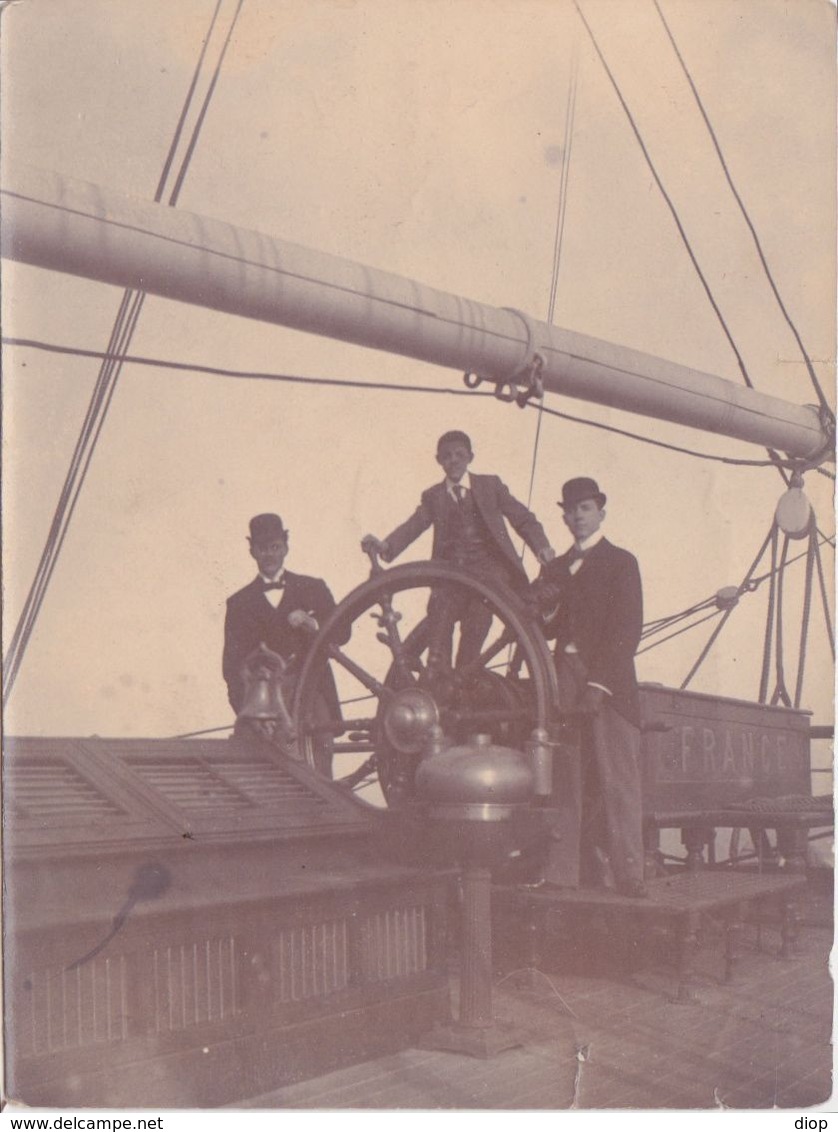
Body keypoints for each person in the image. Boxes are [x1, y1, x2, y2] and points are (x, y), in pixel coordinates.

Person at [532, 477, 647, 898]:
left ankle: (630, 875)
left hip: (610, 682)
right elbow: (544, 629)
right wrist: (542, 605)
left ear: (600, 511)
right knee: (564, 777)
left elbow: (627, 629)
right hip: (564, 678)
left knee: (619, 779)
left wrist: (599, 684)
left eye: (584, 508)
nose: (576, 516)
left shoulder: (621, 562)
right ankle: (561, 873)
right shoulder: (556, 568)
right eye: (570, 510)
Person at [361, 430, 555, 672]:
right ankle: (440, 677)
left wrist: (542, 547)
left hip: (490, 573)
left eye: (459, 455)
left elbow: (523, 518)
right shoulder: (434, 496)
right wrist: (386, 546)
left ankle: (465, 675)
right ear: (439, 461)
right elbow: (416, 524)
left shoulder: (490, 485)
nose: (453, 460)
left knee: (479, 617)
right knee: (439, 612)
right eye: (446, 456)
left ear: (470, 457)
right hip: (451, 574)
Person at [223, 513, 338, 715]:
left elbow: (343, 632)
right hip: (267, 705)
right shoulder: (238, 603)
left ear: (285, 548)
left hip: (314, 699)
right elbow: (231, 668)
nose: (269, 555)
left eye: (275, 547)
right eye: (262, 549)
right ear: (252, 551)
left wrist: (311, 623)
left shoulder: (313, 587)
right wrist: (248, 711)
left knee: (320, 746)